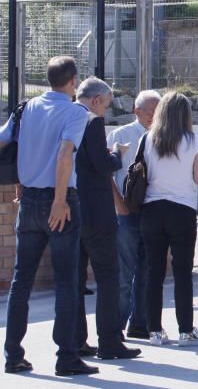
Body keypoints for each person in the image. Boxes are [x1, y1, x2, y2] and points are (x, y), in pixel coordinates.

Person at [1, 57, 96, 376]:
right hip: (60, 200)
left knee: (21, 280)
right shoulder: (75, 112)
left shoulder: (26, 108)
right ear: (73, 81)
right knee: (67, 281)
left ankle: (13, 354)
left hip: (28, 200)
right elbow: (65, 153)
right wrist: (59, 201)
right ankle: (66, 357)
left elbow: (4, 140)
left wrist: (22, 177)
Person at [73, 77, 141, 361]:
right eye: (107, 105)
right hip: (96, 212)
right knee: (108, 277)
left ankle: (76, 340)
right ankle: (109, 341)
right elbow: (102, 166)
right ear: (97, 100)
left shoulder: (63, 116)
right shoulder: (92, 121)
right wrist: (116, 154)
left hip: (70, 208)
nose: (105, 112)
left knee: (74, 281)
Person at [141, 92, 198, 346]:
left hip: (152, 209)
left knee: (154, 272)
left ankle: (154, 331)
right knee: (182, 272)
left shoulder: (148, 139)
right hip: (182, 209)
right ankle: (185, 329)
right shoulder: (195, 141)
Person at [108, 90, 160, 340]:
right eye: (151, 111)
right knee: (124, 272)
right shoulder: (121, 135)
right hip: (126, 213)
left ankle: (139, 323)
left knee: (147, 271)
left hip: (153, 212)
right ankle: (114, 328)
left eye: (158, 111)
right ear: (136, 111)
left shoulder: (164, 136)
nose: (155, 116)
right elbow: (106, 172)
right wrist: (118, 204)